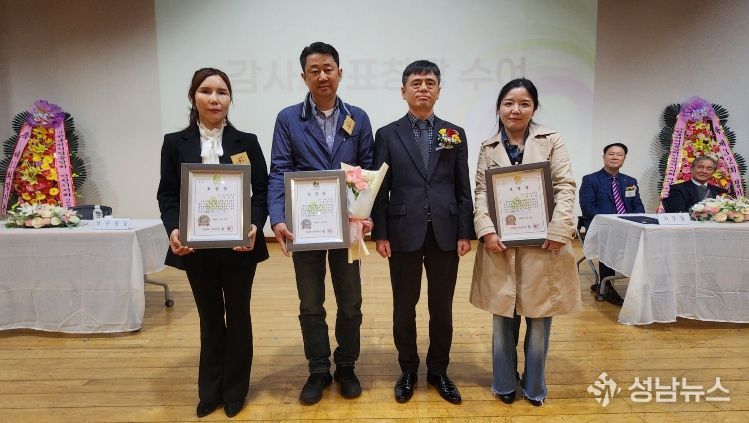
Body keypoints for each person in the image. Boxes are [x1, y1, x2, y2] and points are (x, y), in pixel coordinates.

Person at [157, 68, 269, 418]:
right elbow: (168, 195)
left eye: (222, 92)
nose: (215, 98)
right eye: (206, 91)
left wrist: (254, 224)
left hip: (239, 248)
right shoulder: (174, 142)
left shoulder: (245, 141)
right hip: (197, 248)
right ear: (194, 97)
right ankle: (210, 390)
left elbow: (262, 191)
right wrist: (174, 229)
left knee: (238, 315)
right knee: (209, 318)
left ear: (230, 99)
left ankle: (235, 390)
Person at [268, 42, 374, 405]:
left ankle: (346, 365)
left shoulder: (358, 118)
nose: (322, 76)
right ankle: (317, 369)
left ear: (340, 73)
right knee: (311, 303)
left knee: (351, 301)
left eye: (328, 69)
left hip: (347, 225)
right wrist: (278, 218)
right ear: (304, 76)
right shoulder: (288, 119)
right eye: (314, 70)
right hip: (305, 226)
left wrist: (367, 212)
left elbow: (367, 170)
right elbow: (279, 170)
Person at [470, 78, 580, 407]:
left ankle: (534, 386)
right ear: (499, 108)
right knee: (503, 317)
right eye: (508, 103)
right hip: (501, 245)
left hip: (543, 245)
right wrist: (486, 230)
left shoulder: (551, 140)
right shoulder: (488, 147)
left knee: (540, 318)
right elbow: (481, 192)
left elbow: (564, 186)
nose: (515, 110)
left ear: (534, 108)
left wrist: (559, 229)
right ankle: (504, 382)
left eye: (524, 103)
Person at [371, 60, 473, 405]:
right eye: (416, 83)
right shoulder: (387, 134)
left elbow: (462, 186)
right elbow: (379, 188)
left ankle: (439, 371)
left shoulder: (454, 133)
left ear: (439, 90)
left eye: (430, 82)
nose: (423, 88)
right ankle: (408, 369)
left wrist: (465, 231)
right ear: (403, 91)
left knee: (442, 307)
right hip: (403, 232)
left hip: (446, 231)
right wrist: (381, 234)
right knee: (404, 306)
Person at [579, 142, 645, 305]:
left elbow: (638, 205)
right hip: (602, 226)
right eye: (611, 154)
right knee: (609, 238)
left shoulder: (630, 181)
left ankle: (640, 282)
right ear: (604, 157)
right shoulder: (590, 179)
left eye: (619, 154)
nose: (615, 157)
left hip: (627, 225)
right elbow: (588, 207)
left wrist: (635, 219)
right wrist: (611, 222)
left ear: (624, 159)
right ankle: (606, 285)